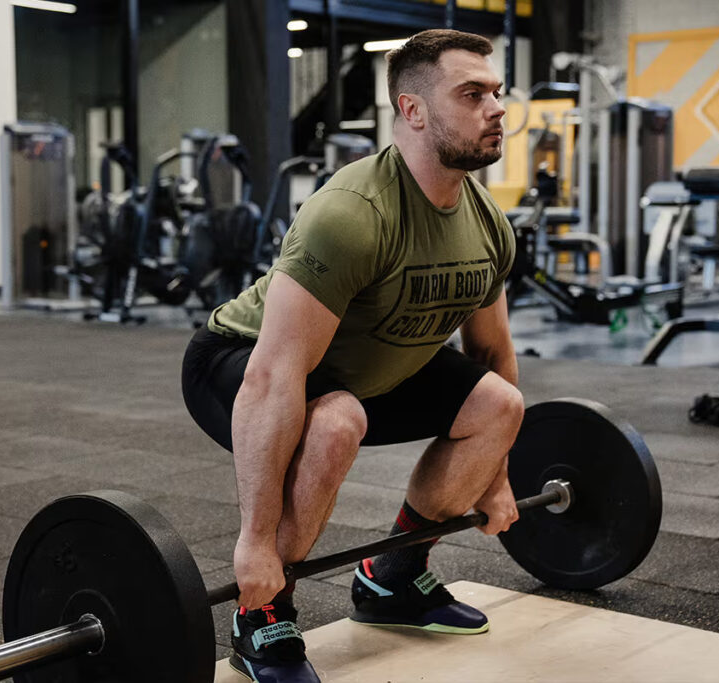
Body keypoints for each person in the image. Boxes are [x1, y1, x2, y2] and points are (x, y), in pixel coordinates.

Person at [182, 28, 523, 683]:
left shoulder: (487, 223)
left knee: (500, 405)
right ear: (413, 111)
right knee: (336, 421)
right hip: (239, 361)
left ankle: (393, 578)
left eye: (498, 93)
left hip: (369, 367)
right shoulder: (350, 212)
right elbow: (272, 374)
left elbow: (491, 350)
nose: (497, 108)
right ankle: (262, 613)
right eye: (473, 93)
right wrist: (254, 542)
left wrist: (497, 475)